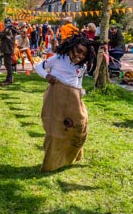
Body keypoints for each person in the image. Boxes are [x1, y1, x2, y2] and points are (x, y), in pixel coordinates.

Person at [35, 34, 93, 172]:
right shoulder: (58, 58)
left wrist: (80, 91)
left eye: (84, 54)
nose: (79, 55)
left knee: (77, 126)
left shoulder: (82, 66)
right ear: (71, 47)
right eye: (78, 51)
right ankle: (52, 160)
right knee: (55, 128)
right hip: (56, 96)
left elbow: (78, 79)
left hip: (72, 98)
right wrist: (47, 75)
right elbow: (38, 66)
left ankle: (72, 154)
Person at [0, 18, 17, 86]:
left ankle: (9, 80)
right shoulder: (11, 28)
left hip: (8, 49)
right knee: (8, 64)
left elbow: (0, 35)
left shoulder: (8, 29)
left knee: (8, 65)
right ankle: (9, 78)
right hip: (9, 48)